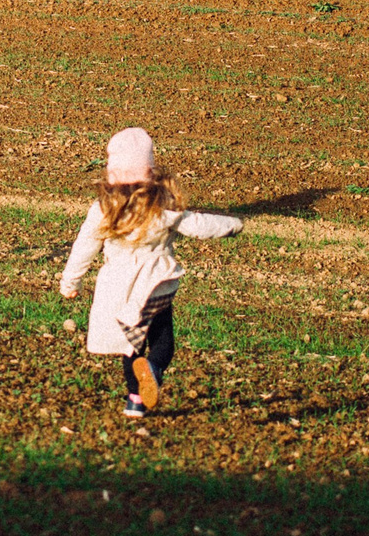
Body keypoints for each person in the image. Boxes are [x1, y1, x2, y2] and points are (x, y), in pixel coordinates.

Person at [58, 128, 242, 417]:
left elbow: (85, 245)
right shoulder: (160, 205)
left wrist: (71, 280)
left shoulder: (103, 208)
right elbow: (197, 225)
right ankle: (154, 367)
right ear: (149, 170)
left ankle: (135, 401)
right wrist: (232, 225)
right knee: (162, 340)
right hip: (154, 284)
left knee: (130, 347)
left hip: (118, 288)